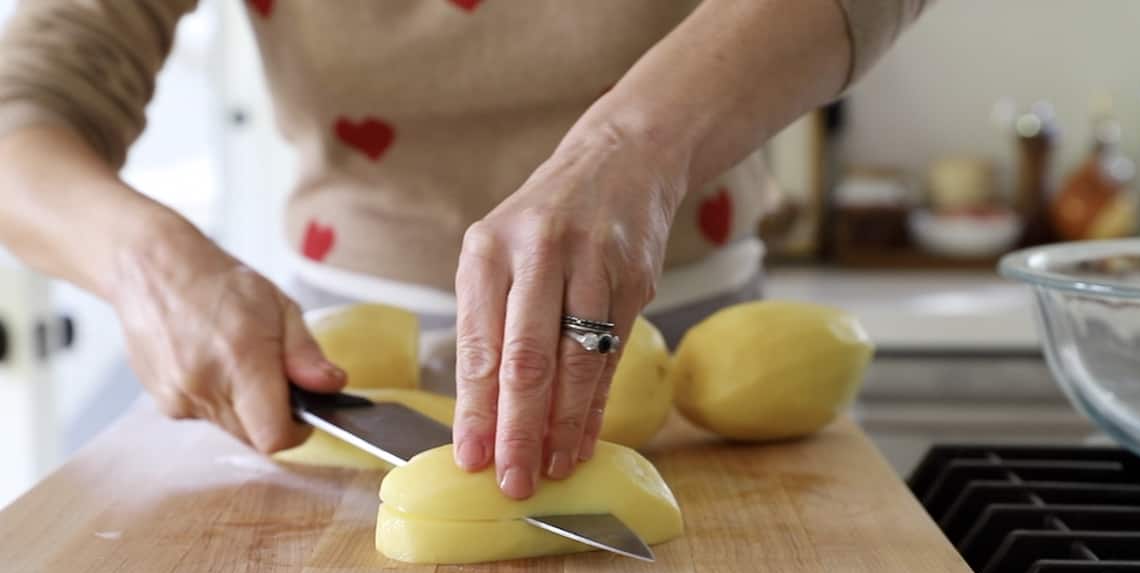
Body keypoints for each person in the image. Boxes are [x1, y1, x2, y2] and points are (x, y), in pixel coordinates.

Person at [0, 0, 925, 500]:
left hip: (695, 318)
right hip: (338, 369)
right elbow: (22, 105)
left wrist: (634, 145)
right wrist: (144, 259)